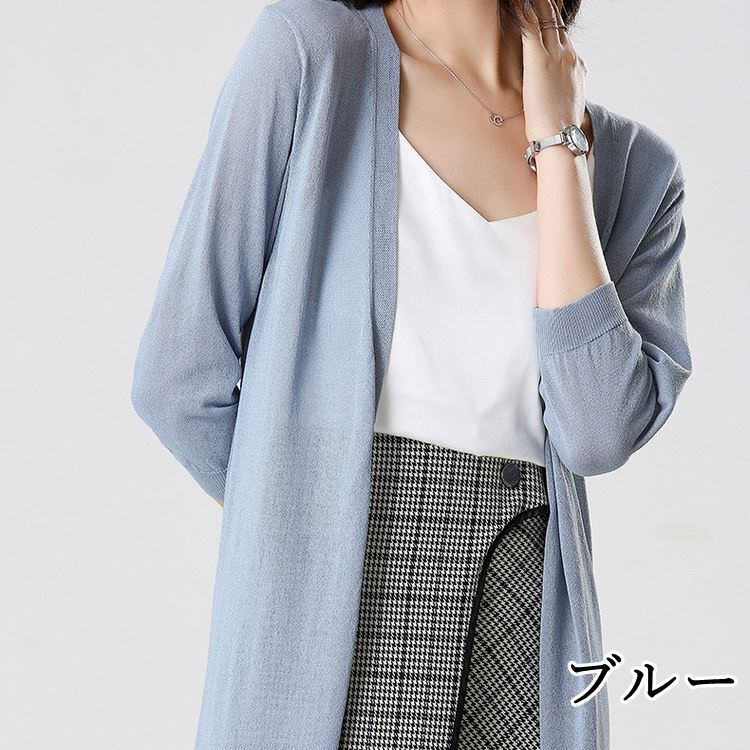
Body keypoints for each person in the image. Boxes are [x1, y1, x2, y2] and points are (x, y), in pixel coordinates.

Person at [130, 1, 692, 748]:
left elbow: (597, 432)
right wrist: (297, 514)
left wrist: (560, 144)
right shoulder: (310, 55)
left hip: (520, 625)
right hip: (337, 611)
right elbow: (179, 377)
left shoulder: (637, 173)